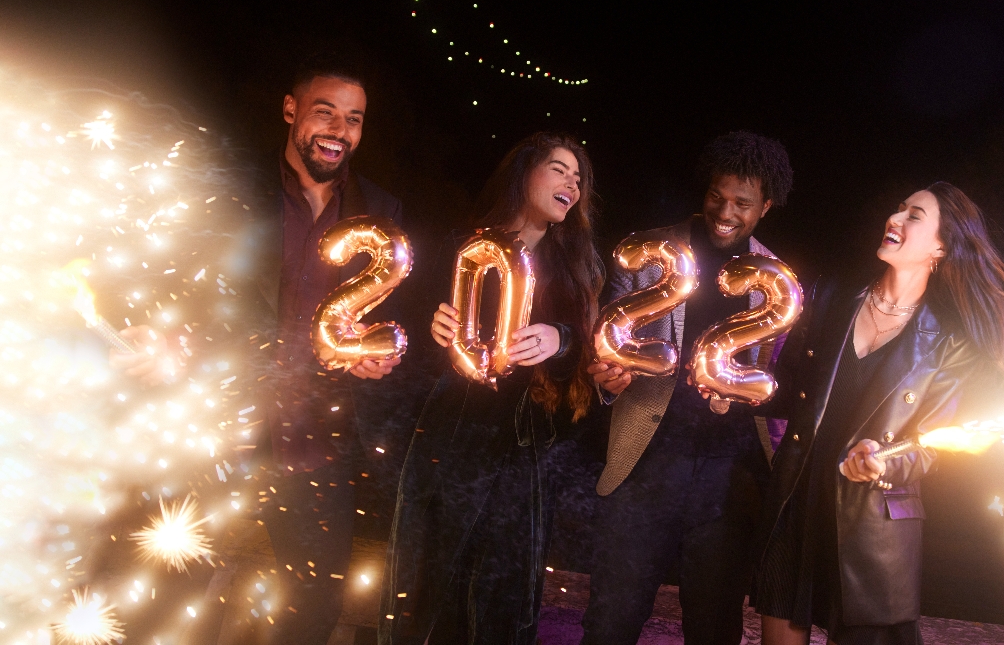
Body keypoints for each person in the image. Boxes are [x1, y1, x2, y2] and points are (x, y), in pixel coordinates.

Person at [115, 55, 408, 644]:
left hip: (316, 433)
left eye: (353, 119)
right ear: (290, 110)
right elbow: (182, 283)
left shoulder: (382, 212)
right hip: (217, 421)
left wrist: (375, 356)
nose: (338, 130)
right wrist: (163, 329)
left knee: (316, 601)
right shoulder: (229, 190)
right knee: (170, 580)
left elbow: (378, 322)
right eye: (325, 112)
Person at [752, 182, 1004, 645]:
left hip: (871, 528)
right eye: (898, 209)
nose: (895, 220)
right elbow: (787, 386)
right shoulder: (833, 296)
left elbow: (933, 445)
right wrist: (734, 392)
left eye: (914, 215)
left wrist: (882, 461)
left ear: (941, 246)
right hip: (797, 498)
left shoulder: (951, 341)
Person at [381, 132, 604, 645]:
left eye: (578, 177)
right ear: (524, 173)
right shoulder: (462, 247)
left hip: (524, 448)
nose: (571, 182)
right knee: (428, 585)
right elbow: (410, 336)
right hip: (449, 437)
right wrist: (430, 328)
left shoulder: (578, 264)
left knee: (502, 594)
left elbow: (593, 355)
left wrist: (561, 337)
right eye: (558, 169)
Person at [581, 131, 794, 645]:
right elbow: (604, 343)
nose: (725, 211)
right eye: (717, 196)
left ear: (765, 206)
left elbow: (778, 381)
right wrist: (606, 381)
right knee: (610, 619)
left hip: (730, 476)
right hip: (645, 462)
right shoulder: (649, 254)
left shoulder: (780, 281)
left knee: (715, 628)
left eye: (742, 204)